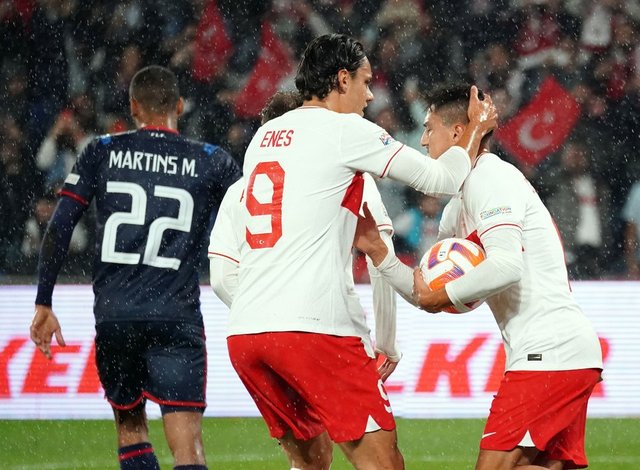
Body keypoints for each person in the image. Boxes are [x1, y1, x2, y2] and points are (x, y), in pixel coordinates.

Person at [223, 34, 497, 470]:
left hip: (247, 333)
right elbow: (440, 181)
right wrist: (477, 130)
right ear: (342, 79)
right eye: (366, 82)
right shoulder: (345, 131)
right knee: (383, 464)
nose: (370, 96)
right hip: (314, 328)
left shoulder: (264, 136)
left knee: (311, 463)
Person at [354, 82, 603, 470]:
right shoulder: (458, 205)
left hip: (549, 352)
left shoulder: (491, 178)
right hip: (552, 353)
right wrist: (380, 254)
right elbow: (426, 290)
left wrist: (441, 296)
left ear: (458, 133)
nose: (423, 140)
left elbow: (506, 266)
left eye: (429, 128)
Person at [29, 65, 242, 470]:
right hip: (175, 315)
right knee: (188, 448)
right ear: (179, 106)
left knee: (130, 429)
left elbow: (60, 225)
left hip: (117, 315)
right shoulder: (210, 160)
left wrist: (44, 301)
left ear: (133, 108)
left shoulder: (101, 151)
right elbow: (255, 218)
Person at [209, 90, 402, 383]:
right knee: (362, 416)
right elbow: (380, 255)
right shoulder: (346, 177)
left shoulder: (238, 191)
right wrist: (387, 344)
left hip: (255, 338)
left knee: (296, 417)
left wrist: (267, 317)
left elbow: (222, 278)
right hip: (328, 329)